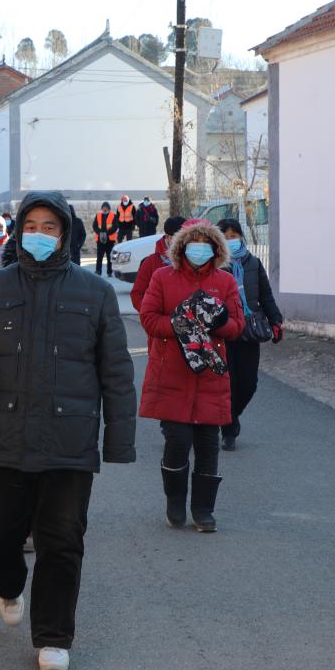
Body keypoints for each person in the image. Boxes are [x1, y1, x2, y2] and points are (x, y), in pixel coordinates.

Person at [0, 191, 136, 670]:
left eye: (50, 227)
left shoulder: (93, 292)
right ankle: (9, 585)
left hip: (68, 442)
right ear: (18, 231)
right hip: (0, 437)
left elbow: (115, 371)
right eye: (31, 225)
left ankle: (53, 635)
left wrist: (118, 440)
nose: (39, 235)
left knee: (62, 539)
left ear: (66, 234)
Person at [139, 219, 243, 532]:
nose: (199, 247)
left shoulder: (224, 281)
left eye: (206, 242)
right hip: (171, 371)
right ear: (181, 247)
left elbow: (237, 325)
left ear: (215, 248)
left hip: (210, 375)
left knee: (209, 445)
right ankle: (175, 498)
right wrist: (184, 325)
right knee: (177, 441)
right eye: (193, 241)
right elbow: (149, 318)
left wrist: (214, 323)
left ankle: (203, 509)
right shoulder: (162, 277)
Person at [216, 218, 284, 451]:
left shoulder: (253, 263)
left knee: (249, 384)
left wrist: (276, 320)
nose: (231, 240)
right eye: (225, 235)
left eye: (234, 235)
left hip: (249, 331)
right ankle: (228, 428)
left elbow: (265, 295)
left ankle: (231, 416)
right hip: (222, 333)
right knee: (229, 383)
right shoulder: (213, 265)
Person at [129, 216, 185, 313]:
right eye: (179, 238)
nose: (183, 242)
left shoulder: (193, 260)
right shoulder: (151, 262)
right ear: (168, 237)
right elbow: (137, 294)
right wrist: (151, 314)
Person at [92, 202, 118, 277]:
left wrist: (107, 233)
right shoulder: (98, 215)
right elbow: (95, 226)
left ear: (109, 208)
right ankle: (98, 271)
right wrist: (100, 233)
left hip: (110, 239)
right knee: (99, 256)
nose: (104, 209)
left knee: (109, 256)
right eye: (103, 207)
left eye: (106, 207)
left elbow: (115, 227)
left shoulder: (113, 215)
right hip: (100, 239)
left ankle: (109, 272)